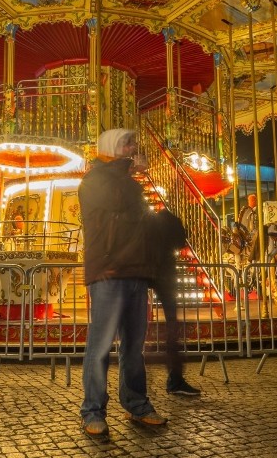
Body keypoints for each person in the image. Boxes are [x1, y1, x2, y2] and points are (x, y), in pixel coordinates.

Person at [79, 129, 166, 437]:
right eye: (127, 144)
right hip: (108, 270)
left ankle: (137, 403)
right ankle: (92, 409)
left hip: (135, 270)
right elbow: (116, 200)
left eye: (133, 144)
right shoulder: (94, 181)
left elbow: (140, 223)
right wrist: (131, 170)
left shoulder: (128, 182)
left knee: (134, 346)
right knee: (101, 345)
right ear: (111, 147)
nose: (133, 149)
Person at [149, 208, 201, 396]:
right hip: (165, 274)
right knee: (172, 325)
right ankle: (175, 378)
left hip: (144, 270)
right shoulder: (170, 221)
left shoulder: (147, 221)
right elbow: (180, 241)